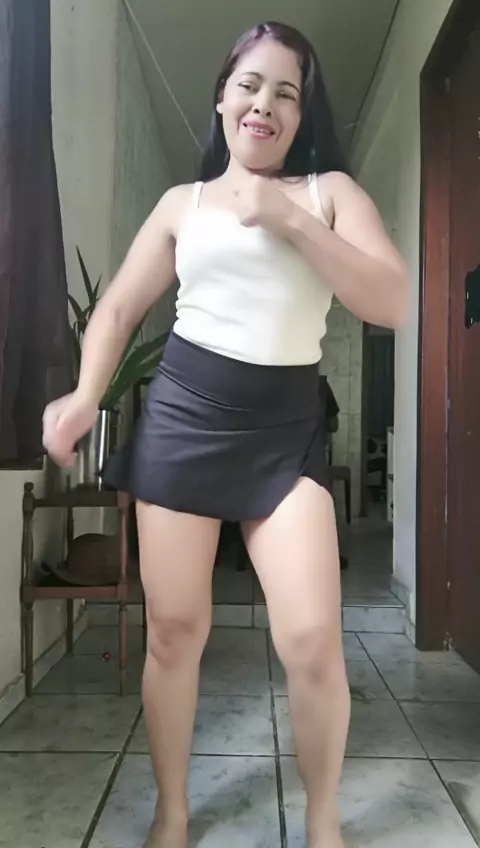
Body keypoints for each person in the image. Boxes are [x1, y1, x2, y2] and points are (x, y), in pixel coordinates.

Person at [43, 21, 409, 848]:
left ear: (302, 114)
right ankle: (173, 814)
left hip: (285, 435)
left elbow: (390, 300)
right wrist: (85, 395)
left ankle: (323, 822)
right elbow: (119, 309)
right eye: (249, 85)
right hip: (182, 423)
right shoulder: (184, 204)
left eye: (286, 92)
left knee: (312, 639)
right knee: (176, 633)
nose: (264, 104)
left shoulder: (330, 193)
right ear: (221, 98)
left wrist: (290, 219)